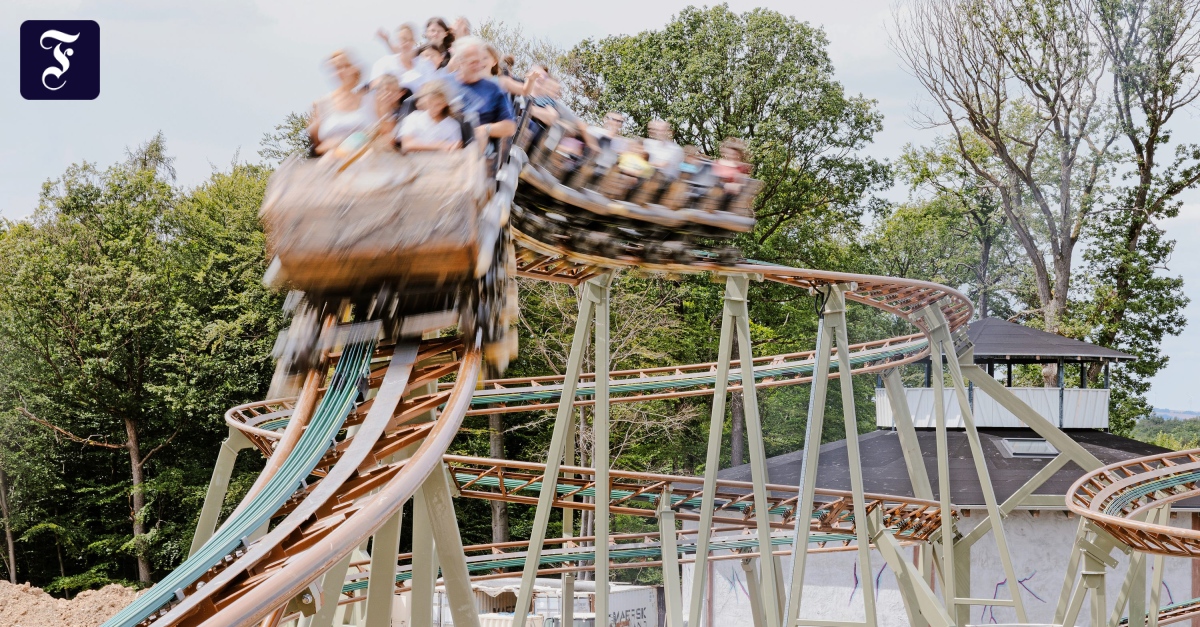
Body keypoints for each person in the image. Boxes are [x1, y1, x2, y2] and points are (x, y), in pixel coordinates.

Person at [308, 50, 376, 156]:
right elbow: (316, 147)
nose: (342, 71)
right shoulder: (322, 104)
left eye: (346, 66)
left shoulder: (371, 99)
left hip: (368, 155)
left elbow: (385, 133)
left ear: (355, 68)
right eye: (337, 68)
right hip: (332, 160)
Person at [451, 37, 516, 145]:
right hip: (441, 143)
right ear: (460, 61)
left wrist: (484, 129)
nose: (479, 65)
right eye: (473, 62)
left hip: (473, 145)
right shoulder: (444, 83)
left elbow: (510, 127)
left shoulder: (494, 89)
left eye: (480, 60)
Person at [397, 80, 463, 152]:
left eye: (438, 104)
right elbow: (407, 145)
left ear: (445, 104)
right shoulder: (413, 118)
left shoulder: (453, 125)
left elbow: (455, 147)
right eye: (429, 103)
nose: (433, 108)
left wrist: (454, 146)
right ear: (424, 101)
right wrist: (439, 145)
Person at [370, 24, 435, 94]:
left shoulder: (426, 65)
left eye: (410, 40)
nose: (406, 43)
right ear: (397, 40)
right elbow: (374, 89)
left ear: (415, 41)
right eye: (403, 39)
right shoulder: (384, 63)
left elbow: (430, 89)